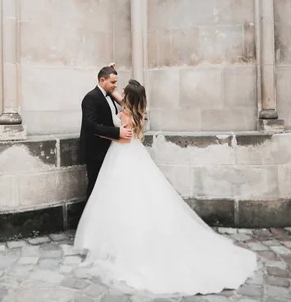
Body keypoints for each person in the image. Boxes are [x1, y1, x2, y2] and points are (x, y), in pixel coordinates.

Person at [74, 79, 258, 297]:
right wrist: (112, 88)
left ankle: (125, 244)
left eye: (123, 90)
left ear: (129, 97)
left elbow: (123, 138)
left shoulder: (125, 115)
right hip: (133, 156)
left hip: (122, 155)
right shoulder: (136, 113)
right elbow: (120, 100)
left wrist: (105, 134)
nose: (119, 90)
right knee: (134, 198)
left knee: (125, 199)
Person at [79, 65, 132, 197]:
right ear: (102, 80)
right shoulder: (91, 97)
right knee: (95, 188)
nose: (115, 86)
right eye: (113, 82)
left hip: (108, 149)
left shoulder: (108, 96)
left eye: (116, 82)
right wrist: (117, 132)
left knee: (106, 189)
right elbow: (89, 125)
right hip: (95, 151)